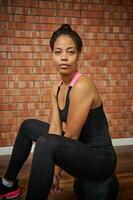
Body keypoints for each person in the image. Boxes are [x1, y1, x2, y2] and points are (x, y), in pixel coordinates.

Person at [0, 24, 119, 200]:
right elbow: (55, 129)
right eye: (58, 52)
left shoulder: (82, 86)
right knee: (28, 126)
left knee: (46, 142)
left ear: (78, 55)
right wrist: (54, 164)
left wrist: (56, 172)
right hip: (80, 148)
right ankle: (8, 185)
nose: (64, 57)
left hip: (100, 159)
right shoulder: (56, 88)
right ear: (52, 55)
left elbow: (71, 136)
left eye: (70, 52)